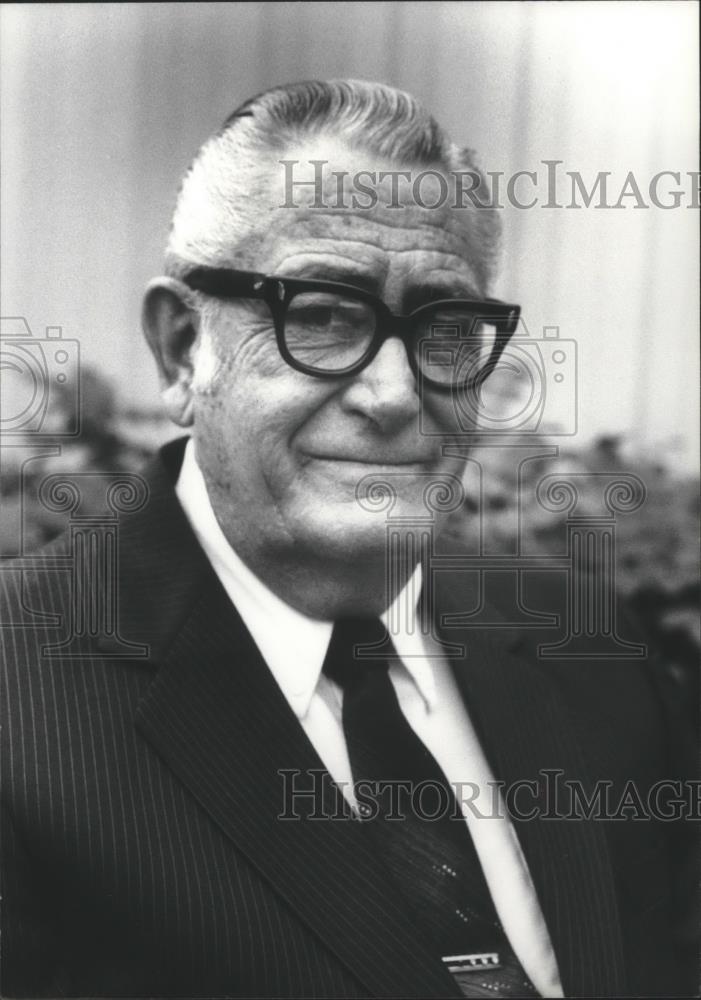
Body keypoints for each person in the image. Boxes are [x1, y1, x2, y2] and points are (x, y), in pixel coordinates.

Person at [0, 79, 694, 999]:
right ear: (180, 350)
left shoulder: (586, 649)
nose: (395, 395)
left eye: (443, 327)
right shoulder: (22, 692)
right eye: (323, 314)